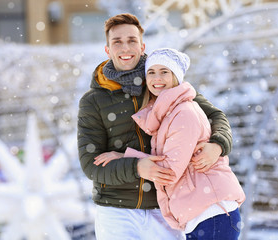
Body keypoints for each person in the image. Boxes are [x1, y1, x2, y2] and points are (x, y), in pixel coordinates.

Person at [78, 13, 233, 240]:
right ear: (107, 49)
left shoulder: (162, 80)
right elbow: (91, 165)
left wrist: (218, 145)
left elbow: (214, 116)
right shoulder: (94, 100)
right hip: (116, 211)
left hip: (165, 208)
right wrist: (137, 168)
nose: (125, 47)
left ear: (142, 46)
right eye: (117, 42)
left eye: (131, 40)